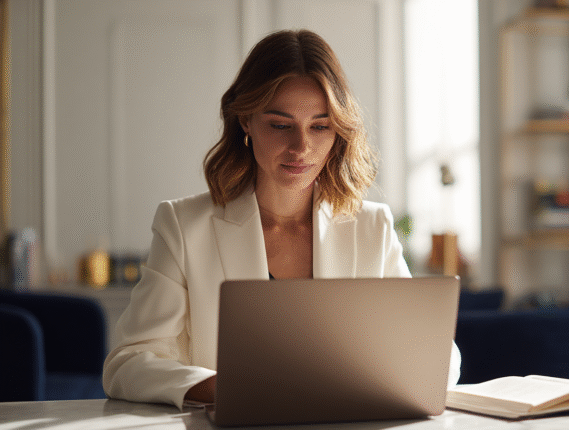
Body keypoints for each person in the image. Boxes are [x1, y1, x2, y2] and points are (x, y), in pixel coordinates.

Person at [101, 29, 461, 410]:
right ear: (245, 120)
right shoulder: (183, 226)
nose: (301, 147)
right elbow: (128, 363)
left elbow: (438, 357)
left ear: (337, 131)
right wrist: (224, 388)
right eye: (280, 125)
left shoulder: (372, 229)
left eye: (319, 126)